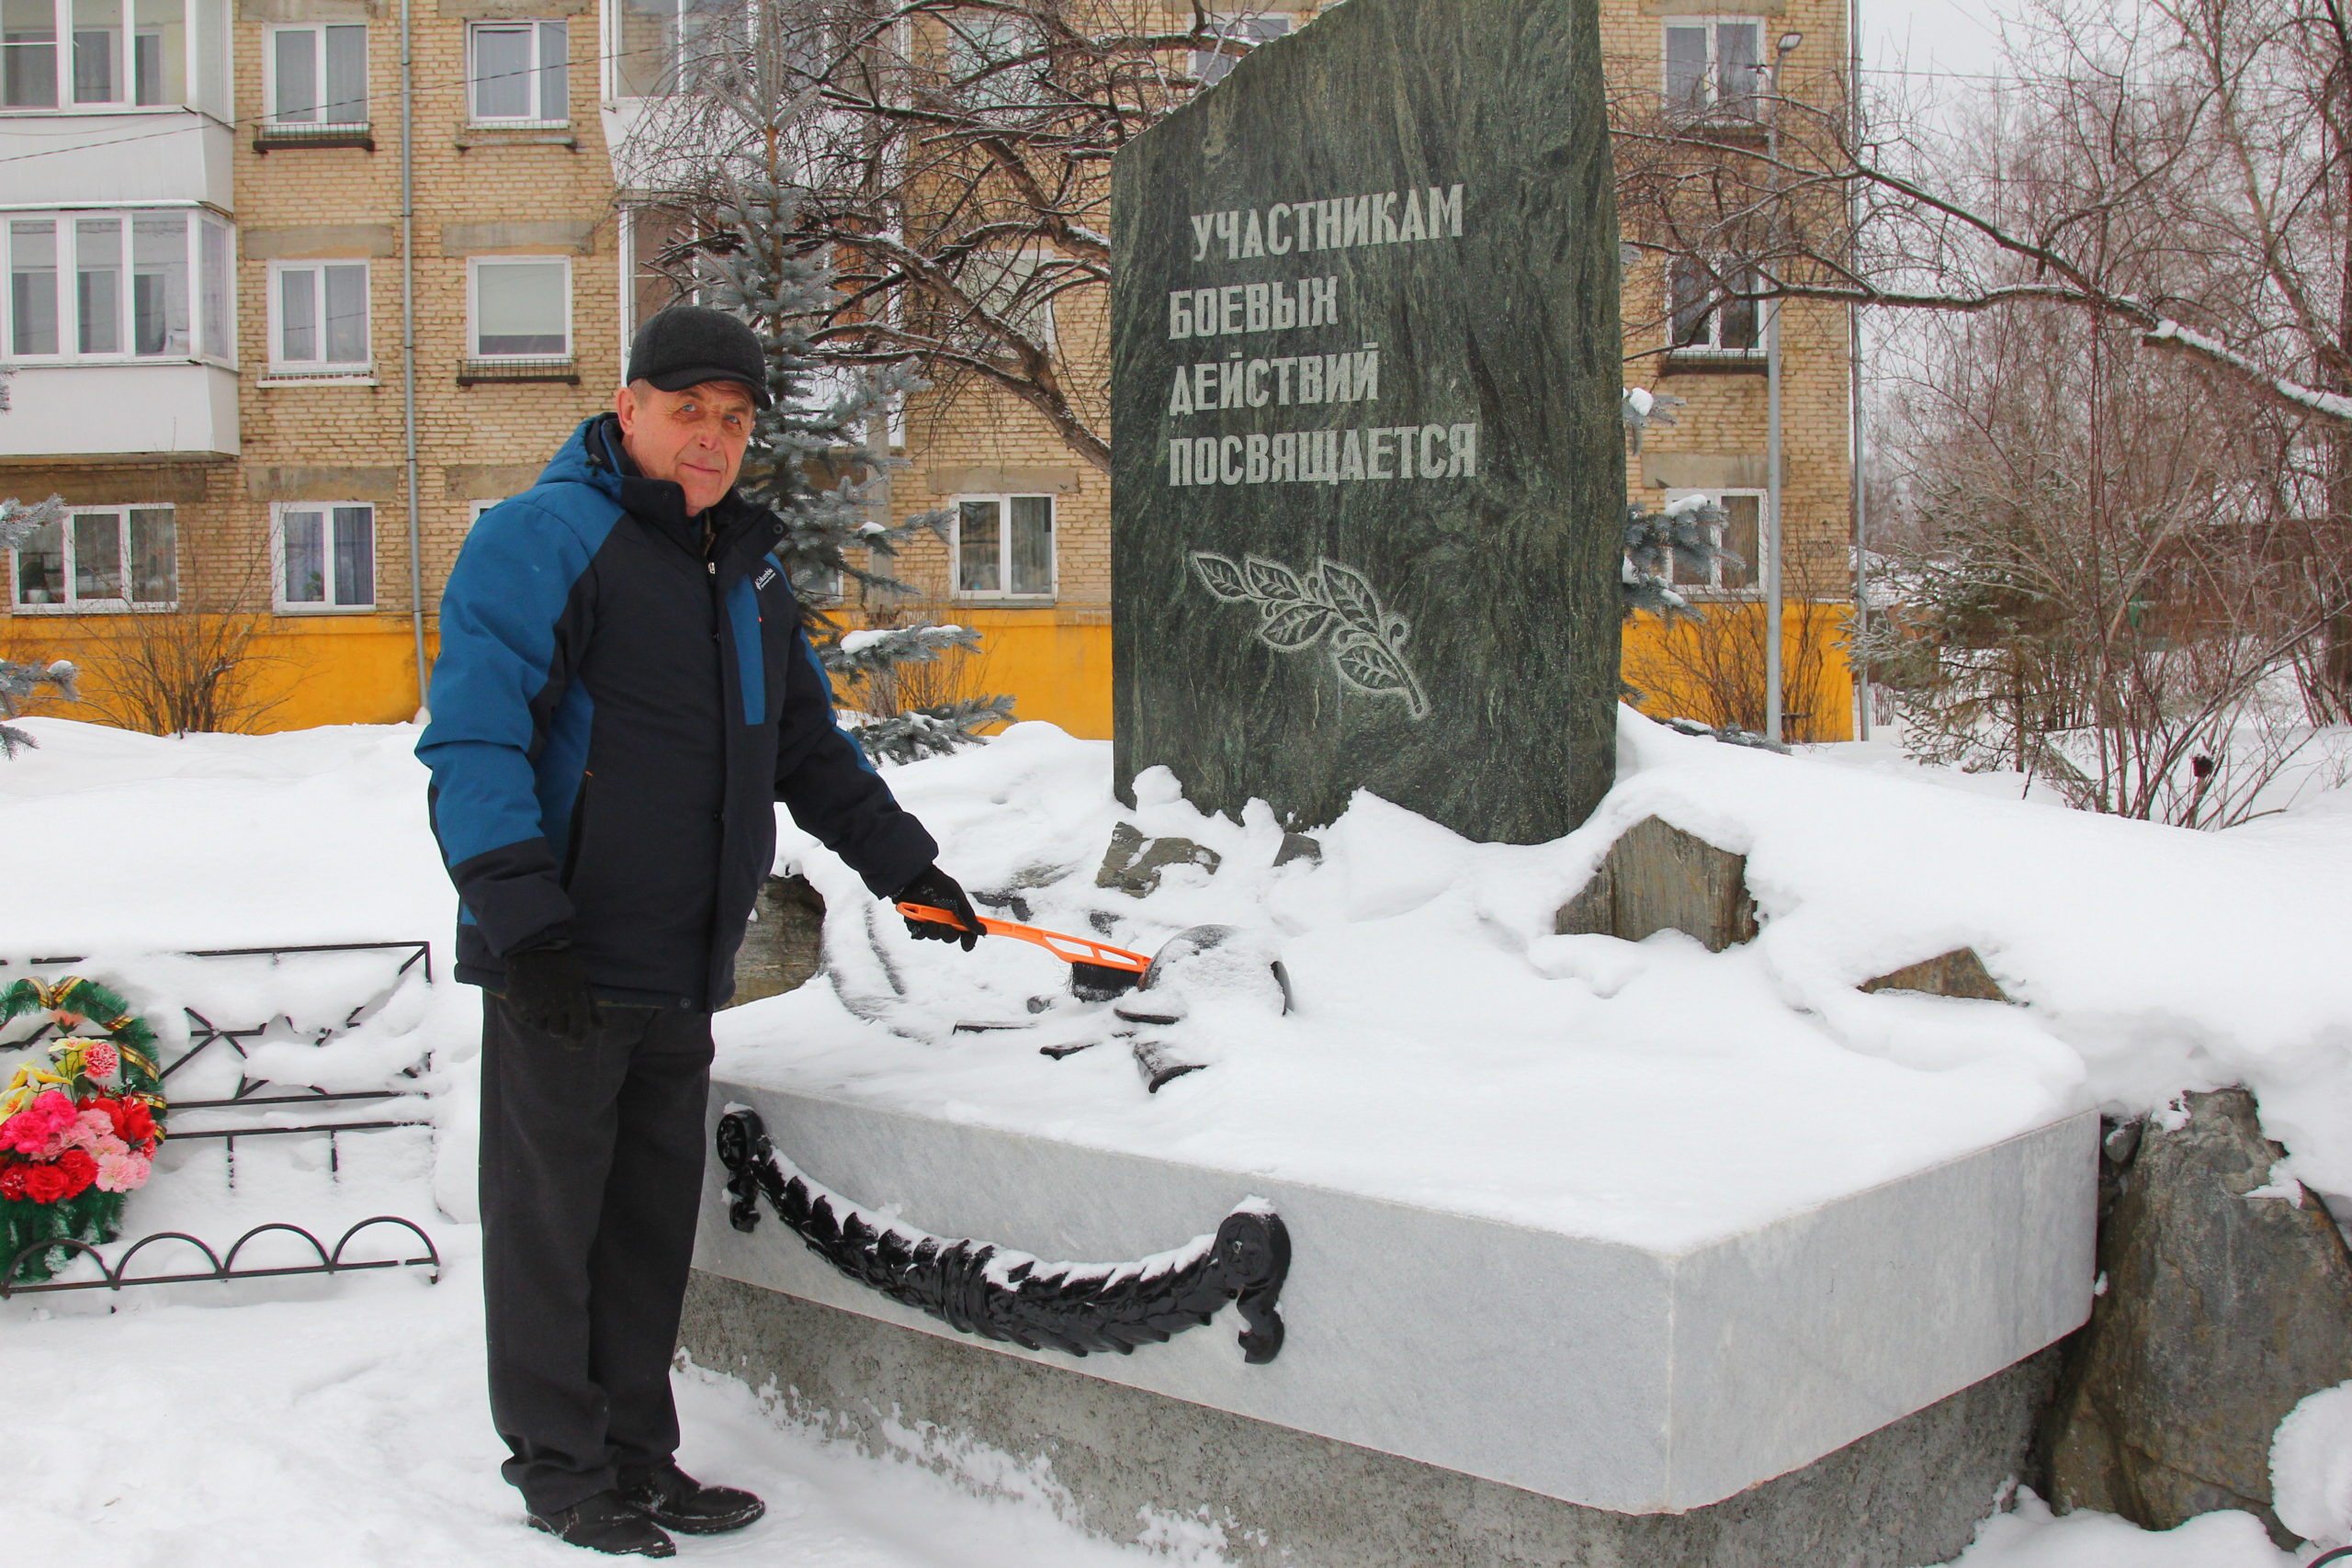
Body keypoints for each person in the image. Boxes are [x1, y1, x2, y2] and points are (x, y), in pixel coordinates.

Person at [416, 305, 984, 1558]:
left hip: (684, 964)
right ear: (629, 408)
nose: (713, 438)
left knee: (641, 1230)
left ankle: (638, 1454)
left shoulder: (745, 573)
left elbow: (802, 751)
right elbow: (473, 739)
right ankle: (562, 1472)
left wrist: (908, 868)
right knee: (551, 1228)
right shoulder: (542, 538)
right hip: (562, 957)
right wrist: (526, 924)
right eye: (689, 411)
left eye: (735, 420)